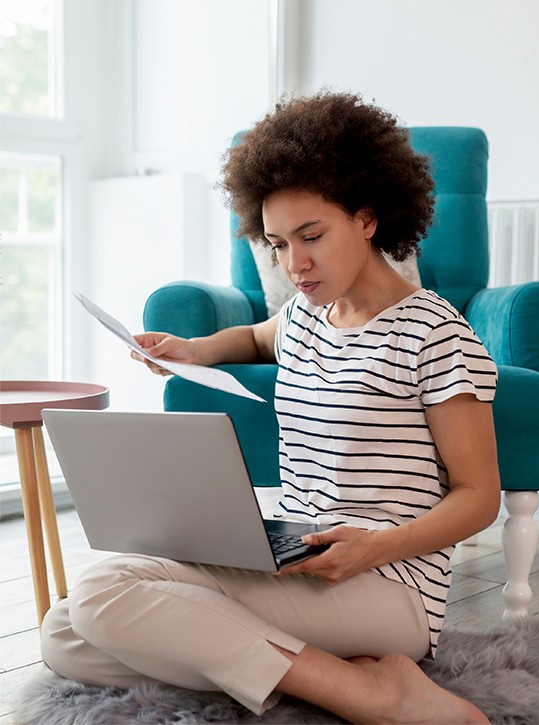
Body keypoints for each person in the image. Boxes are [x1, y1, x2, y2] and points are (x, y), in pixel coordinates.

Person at [41, 92, 501, 724]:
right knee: (63, 633)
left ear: (368, 219)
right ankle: (334, 676)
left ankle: (376, 695)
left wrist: (372, 547)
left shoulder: (436, 335)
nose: (296, 264)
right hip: (292, 554)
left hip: (388, 584)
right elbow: (258, 336)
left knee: (102, 599)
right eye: (279, 243)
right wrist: (196, 349)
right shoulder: (306, 315)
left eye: (312, 236)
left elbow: (480, 496)